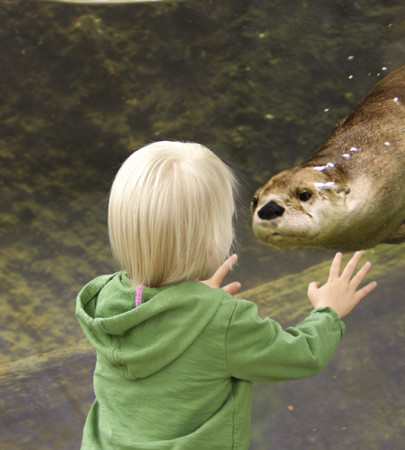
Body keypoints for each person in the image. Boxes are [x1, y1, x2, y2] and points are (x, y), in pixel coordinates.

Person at [75, 141, 377, 449]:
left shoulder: (106, 300)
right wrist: (328, 310)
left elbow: (157, 320)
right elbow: (302, 355)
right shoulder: (223, 322)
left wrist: (190, 298)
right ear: (212, 239)